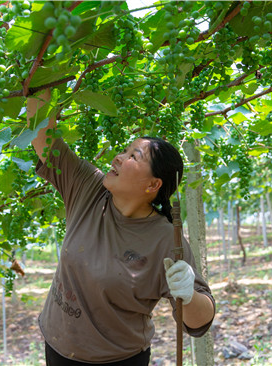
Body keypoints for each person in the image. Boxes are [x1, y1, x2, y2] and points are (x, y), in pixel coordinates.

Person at [27, 90, 215, 365]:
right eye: (124, 151)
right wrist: (45, 70)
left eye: (132, 156)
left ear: (153, 185)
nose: (117, 157)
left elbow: (200, 321)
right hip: (57, 348)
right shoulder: (87, 188)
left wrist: (188, 295)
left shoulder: (163, 238)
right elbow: (45, 137)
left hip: (118, 359)